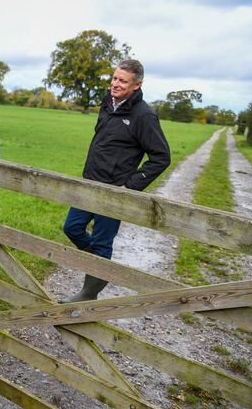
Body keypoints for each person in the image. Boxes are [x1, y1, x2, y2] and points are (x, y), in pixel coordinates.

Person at [61, 59, 170, 303]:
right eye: (114, 78)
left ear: (137, 85)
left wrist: (129, 186)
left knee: (102, 241)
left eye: (122, 81)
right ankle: (101, 271)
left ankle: (89, 292)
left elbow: (161, 157)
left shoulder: (144, 116)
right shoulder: (108, 103)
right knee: (72, 227)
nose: (115, 84)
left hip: (115, 191)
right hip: (90, 183)